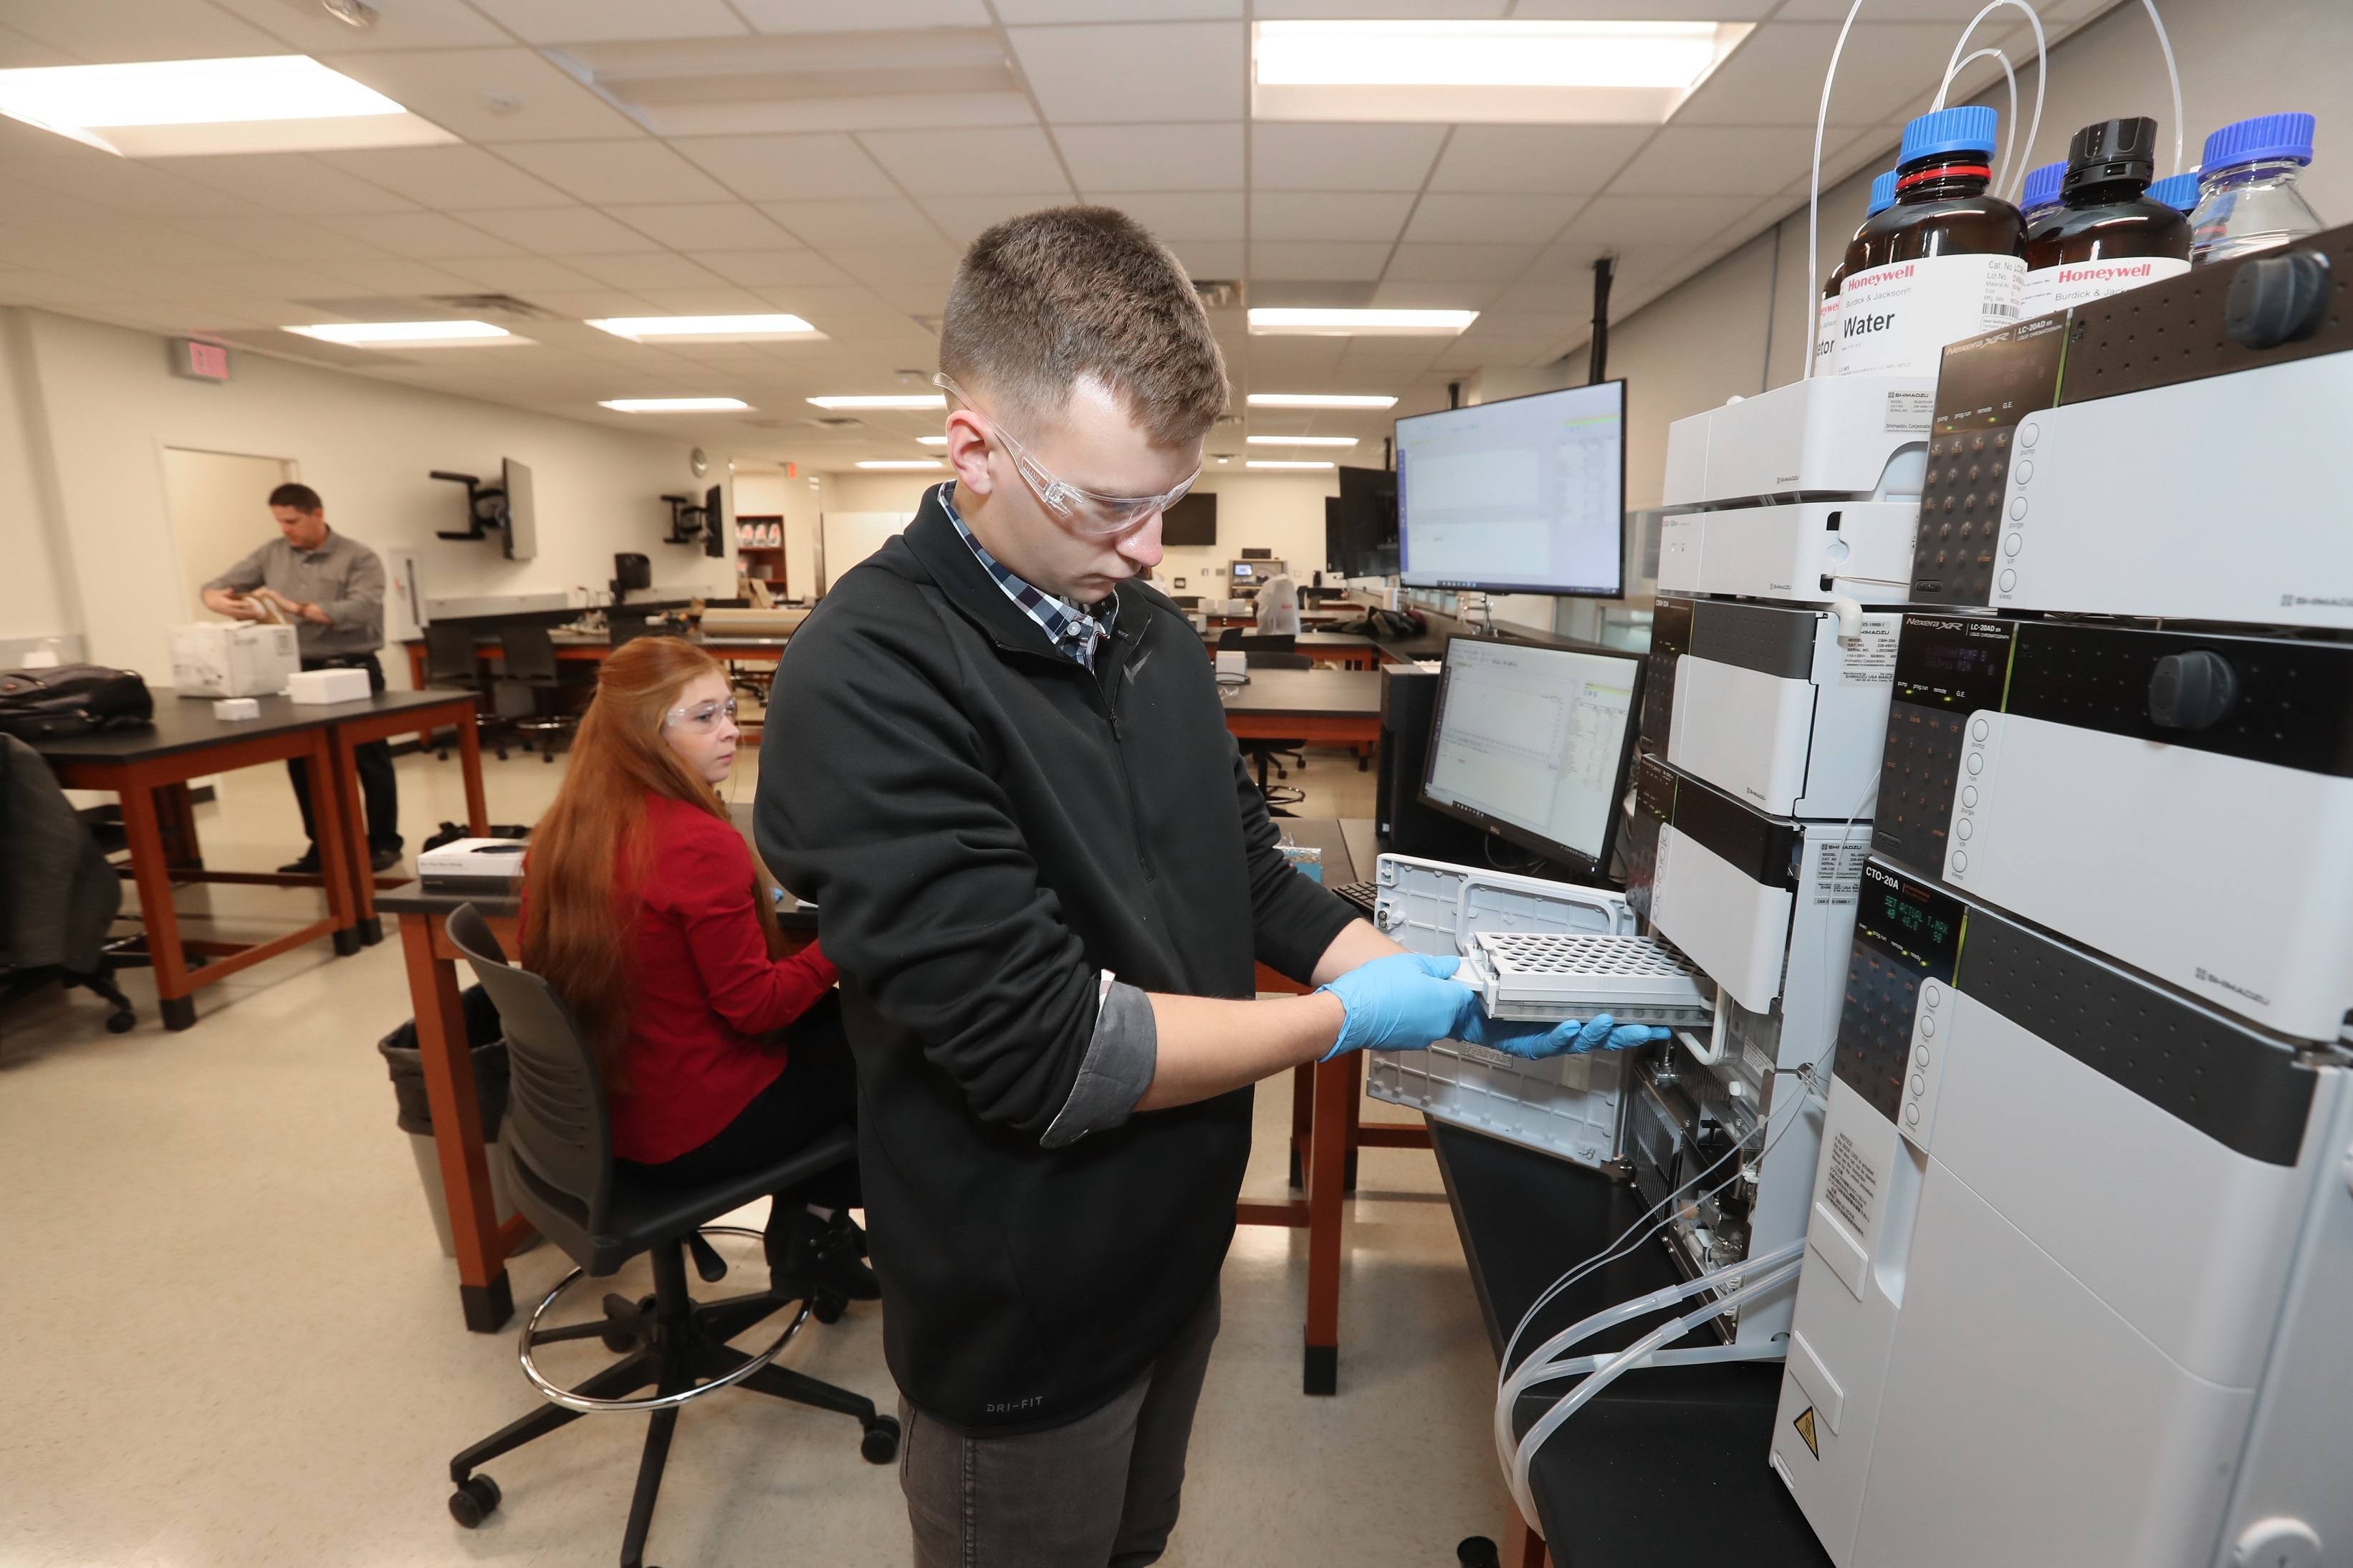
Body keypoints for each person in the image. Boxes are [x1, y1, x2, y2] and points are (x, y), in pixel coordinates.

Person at [758, 206, 1666, 1567]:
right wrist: (1345, 1024)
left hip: (1170, 1247)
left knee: (1139, 1542)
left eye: (1165, 497)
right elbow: (1053, 1055)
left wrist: (1413, 972)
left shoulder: (1145, 635)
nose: (1145, 543)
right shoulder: (867, 679)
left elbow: (1239, 869)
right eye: (1111, 502)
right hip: (1024, 1297)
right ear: (971, 447)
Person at [519, 637, 873, 1299]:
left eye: (730, 711)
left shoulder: (563, 830)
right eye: (704, 717)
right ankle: (814, 1226)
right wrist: (844, 936)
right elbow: (757, 1008)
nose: (731, 731)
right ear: (644, 734)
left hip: (602, 1121)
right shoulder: (698, 842)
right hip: (691, 1134)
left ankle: (809, 1225)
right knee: (881, 1037)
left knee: (832, 1026)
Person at [198, 483, 401, 873]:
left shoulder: (359, 557)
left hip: (353, 666)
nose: (286, 529)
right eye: (279, 522)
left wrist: (292, 607)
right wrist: (216, 600)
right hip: (298, 669)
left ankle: (383, 843)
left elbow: (359, 609)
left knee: (369, 759)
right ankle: (322, 846)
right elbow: (215, 585)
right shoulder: (271, 553)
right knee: (303, 760)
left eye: (292, 521)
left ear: (317, 515)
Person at [1256, 569, 1301, 636]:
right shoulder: (1289, 602)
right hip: (1290, 639)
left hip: (1268, 641)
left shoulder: (1268, 605)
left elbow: (1263, 625)